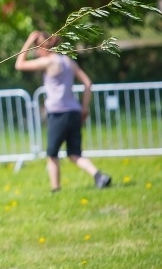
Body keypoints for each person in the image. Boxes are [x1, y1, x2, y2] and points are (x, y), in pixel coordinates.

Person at [15, 30, 111, 192]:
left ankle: (55, 189)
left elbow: (19, 64)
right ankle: (99, 176)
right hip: (74, 111)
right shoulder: (67, 61)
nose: (35, 51)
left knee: (52, 154)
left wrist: (27, 41)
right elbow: (88, 83)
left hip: (58, 113)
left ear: (42, 47)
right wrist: (85, 108)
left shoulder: (48, 62)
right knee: (74, 153)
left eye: (36, 47)